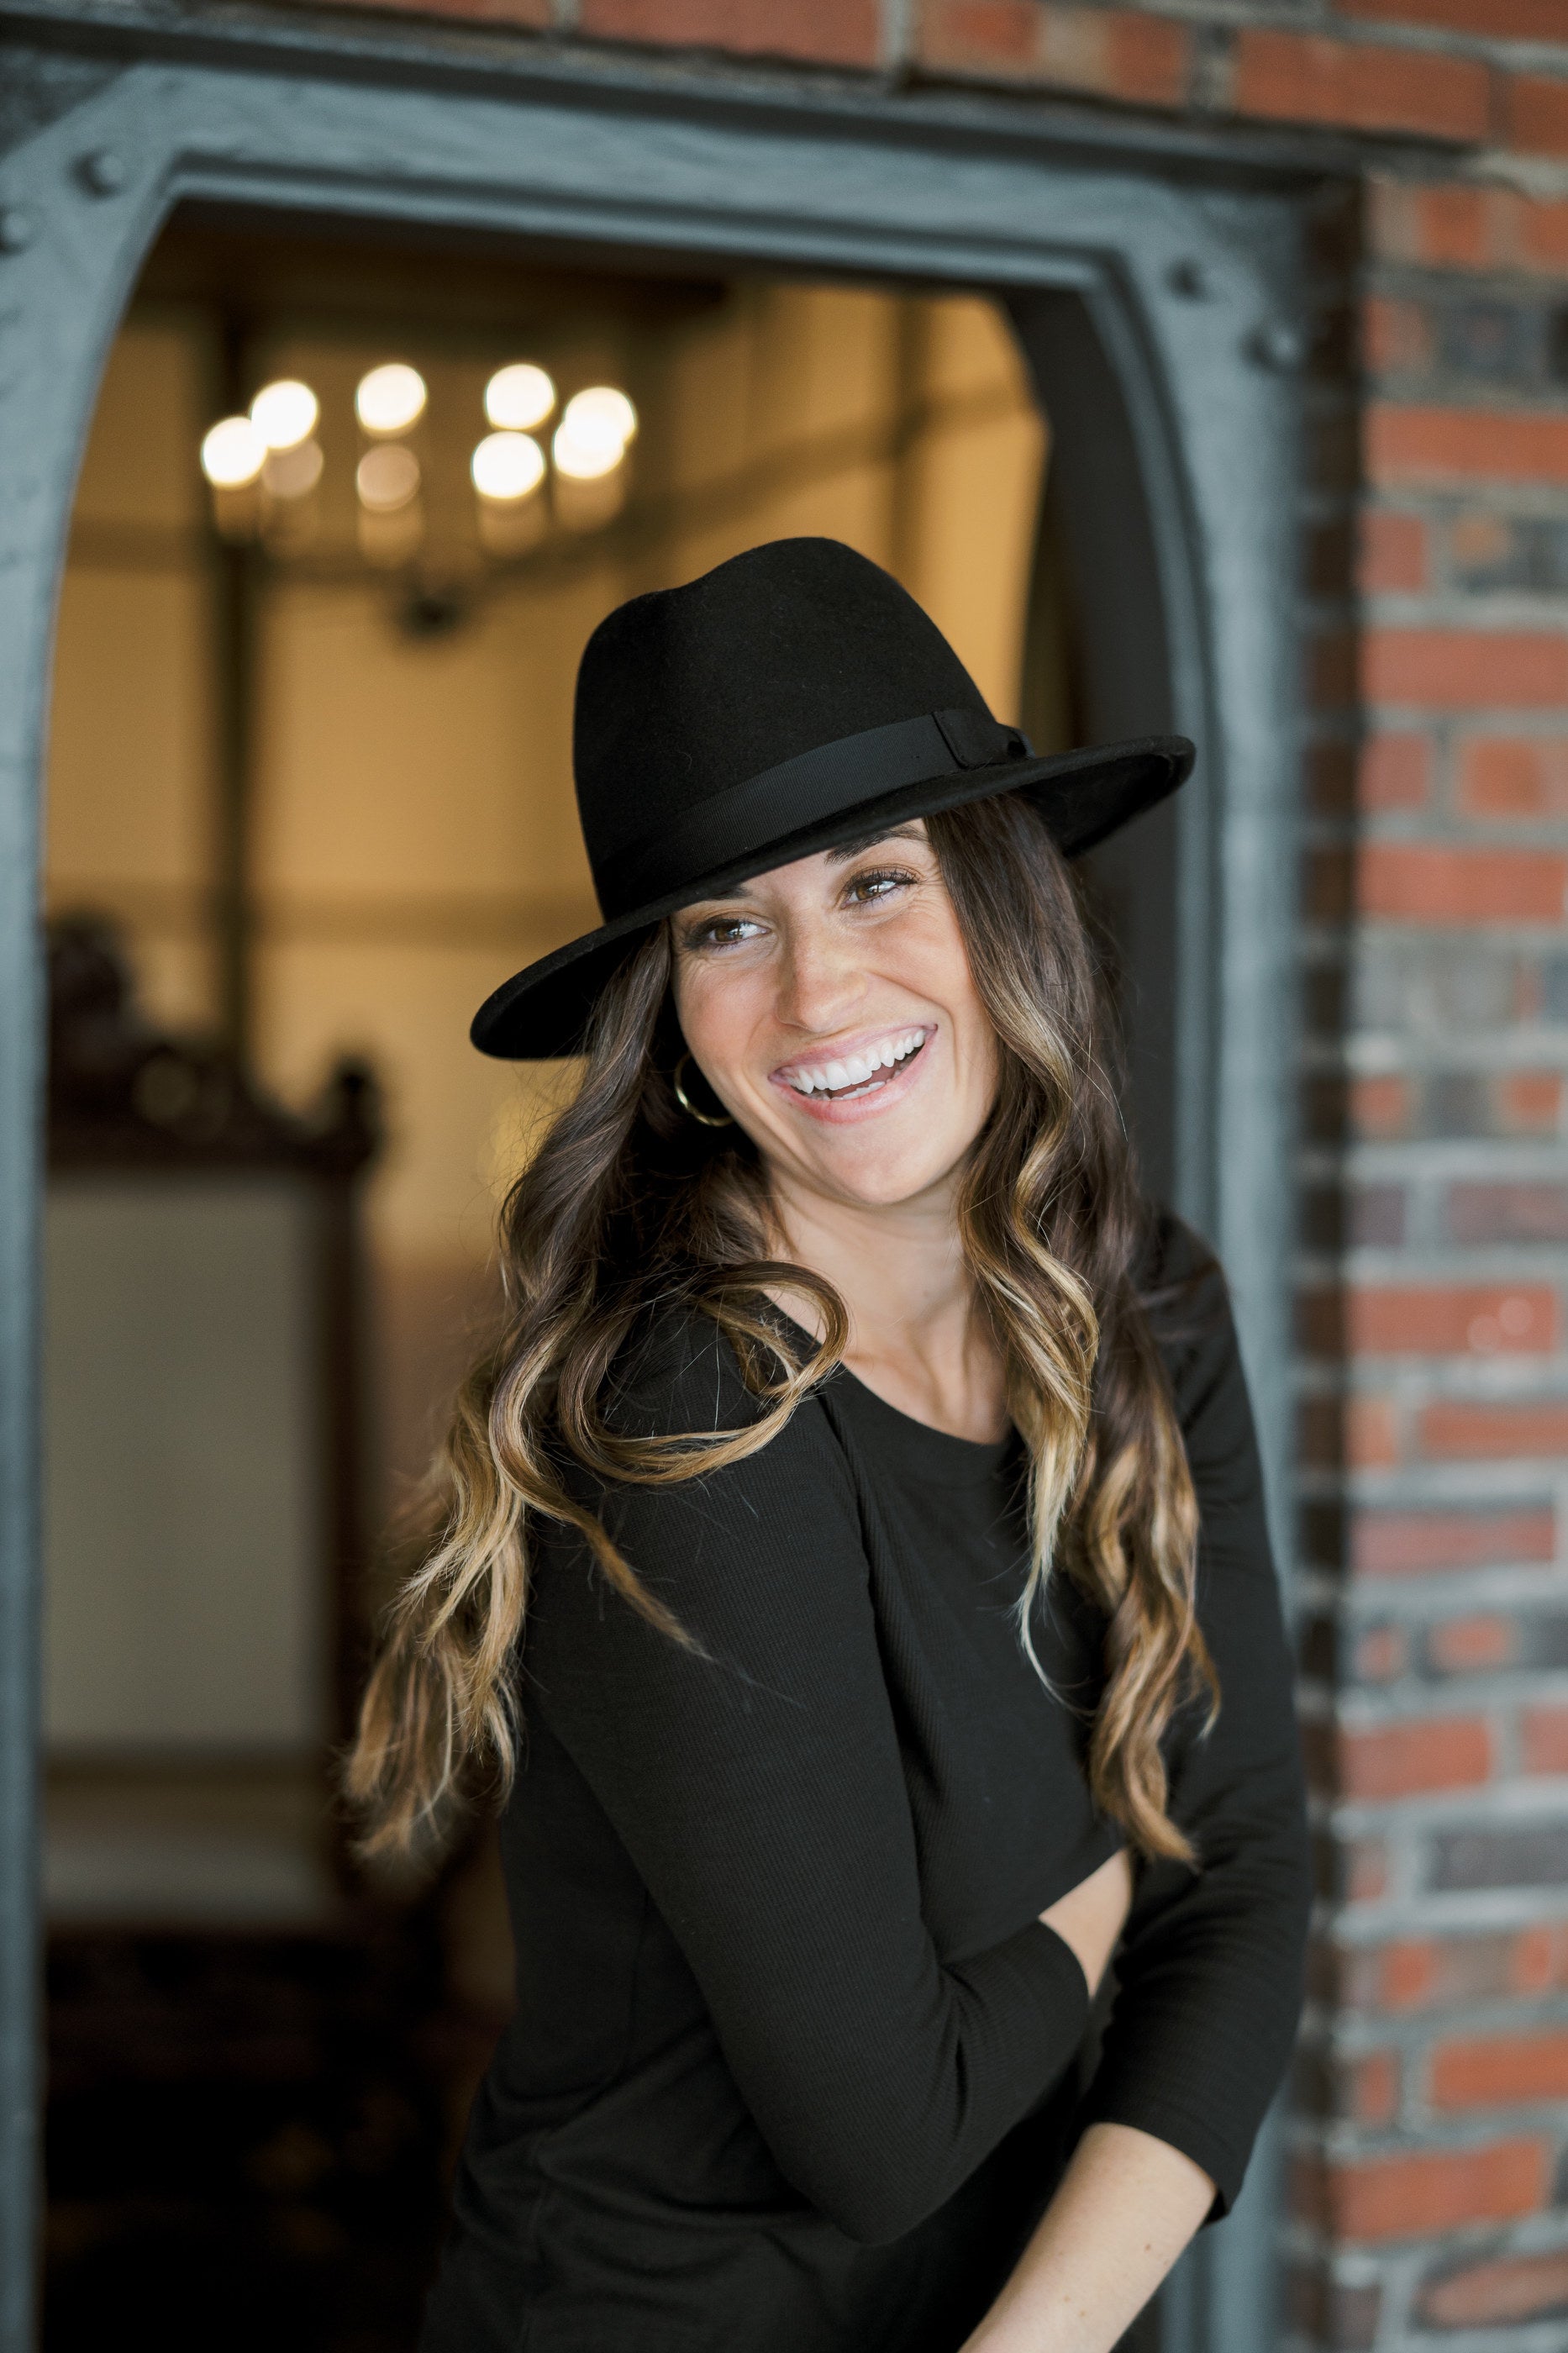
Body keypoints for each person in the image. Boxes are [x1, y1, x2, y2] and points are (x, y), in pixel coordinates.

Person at [348, 537, 1311, 2353]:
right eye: (728, 925)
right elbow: (891, 2129)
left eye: (878, 881)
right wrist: (1113, 1888)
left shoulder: (1152, 1306)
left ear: (1009, 908)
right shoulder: (691, 1408)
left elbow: (1251, 1886)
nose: (814, 993)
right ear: (679, 1028)